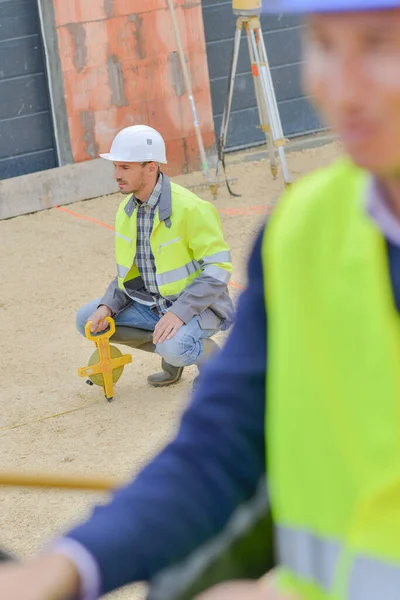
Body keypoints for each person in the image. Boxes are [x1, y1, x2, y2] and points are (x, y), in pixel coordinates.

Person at [2, 0, 400, 598]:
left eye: (375, 45)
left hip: (190, 315)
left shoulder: (194, 209)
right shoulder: (305, 227)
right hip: (151, 309)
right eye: (322, 42)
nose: (338, 86)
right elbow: (220, 450)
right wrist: (67, 567)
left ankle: (181, 352)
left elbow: (212, 277)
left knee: (185, 338)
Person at [76, 124, 234, 387]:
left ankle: (208, 358)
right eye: (115, 167)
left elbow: (218, 269)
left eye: (125, 168)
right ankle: (171, 352)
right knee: (87, 320)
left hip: (200, 307)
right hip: (154, 305)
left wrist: (180, 313)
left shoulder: (192, 208)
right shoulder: (127, 209)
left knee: (175, 345)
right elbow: (128, 273)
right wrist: (107, 305)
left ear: (151, 167)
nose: (116, 175)